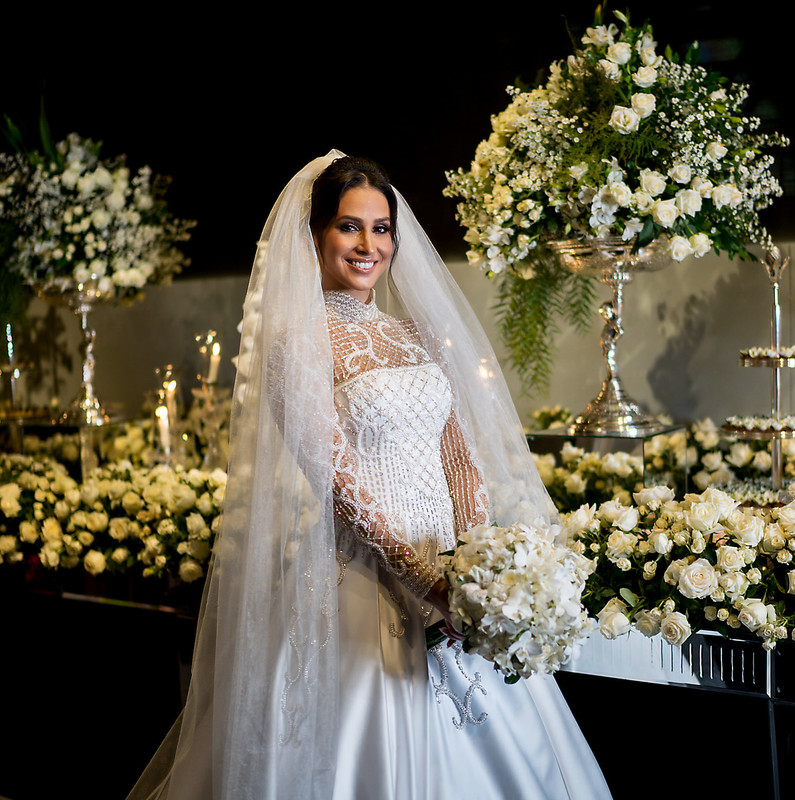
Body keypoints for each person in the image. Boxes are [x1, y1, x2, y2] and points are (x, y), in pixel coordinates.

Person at [127, 151, 612, 800]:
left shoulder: (417, 334)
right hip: (365, 578)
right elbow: (339, 483)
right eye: (349, 226)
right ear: (315, 235)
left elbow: (459, 458)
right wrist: (427, 583)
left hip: (455, 577)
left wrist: (475, 570)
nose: (368, 245)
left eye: (381, 228)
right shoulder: (295, 345)